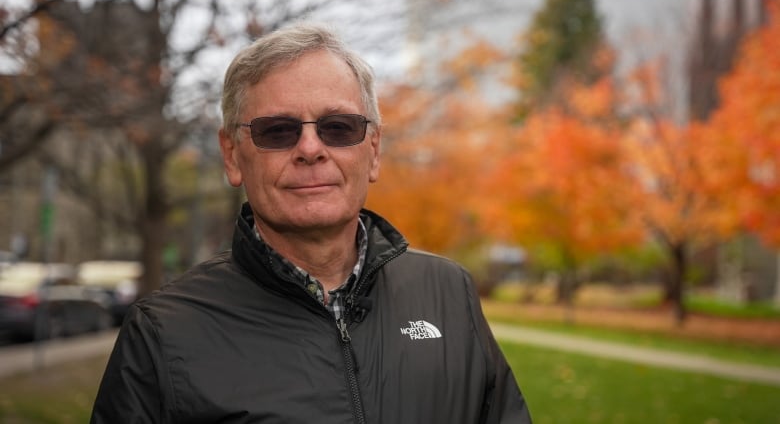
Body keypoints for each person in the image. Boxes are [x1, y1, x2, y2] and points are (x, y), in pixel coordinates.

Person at [90, 21, 532, 423]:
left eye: (338, 127)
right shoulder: (163, 332)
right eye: (277, 131)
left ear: (373, 150)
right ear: (231, 155)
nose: (310, 148)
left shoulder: (447, 292)